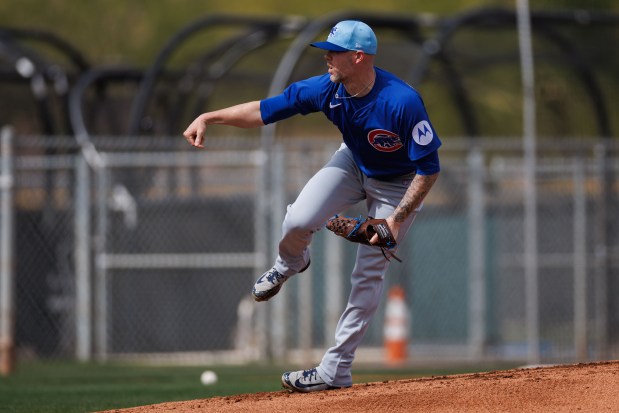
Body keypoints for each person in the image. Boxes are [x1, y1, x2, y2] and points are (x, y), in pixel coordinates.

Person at [183, 20, 441, 392]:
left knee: (367, 276)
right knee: (299, 217)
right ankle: (291, 262)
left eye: (333, 51)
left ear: (358, 57)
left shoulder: (401, 101)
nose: (326, 58)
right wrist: (210, 117)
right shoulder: (327, 89)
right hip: (354, 162)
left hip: (398, 185)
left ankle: (335, 370)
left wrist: (396, 221)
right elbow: (263, 111)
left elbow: (429, 169)